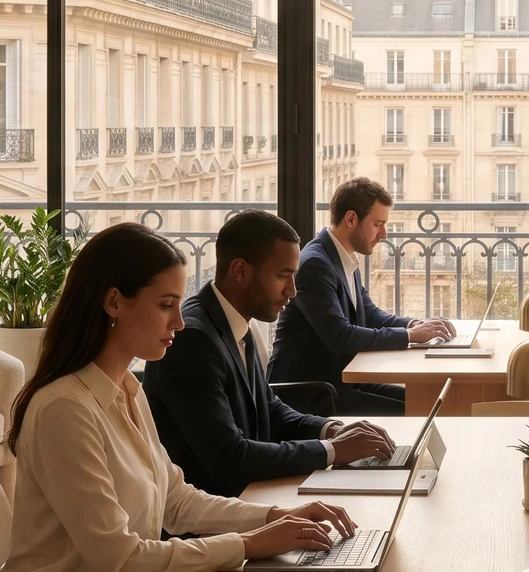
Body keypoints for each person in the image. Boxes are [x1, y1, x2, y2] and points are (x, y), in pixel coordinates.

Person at [0, 222, 356, 572]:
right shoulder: (64, 409)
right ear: (114, 302)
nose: (180, 323)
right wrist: (248, 544)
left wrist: (275, 518)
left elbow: (177, 501)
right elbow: (122, 563)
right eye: (166, 305)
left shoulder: (128, 389)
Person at [144, 210, 398, 497]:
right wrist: (332, 451)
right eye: (283, 276)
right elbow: (230, 458)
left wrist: (332, 429)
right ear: (240, 271)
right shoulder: (193, 340)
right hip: (221, 514)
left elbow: (271, 409)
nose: (292, 291)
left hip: (255, 493)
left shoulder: (233, 321)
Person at [269, 178, 454, 415]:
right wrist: (409, 335)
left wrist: (414, 324)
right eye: (378, 224)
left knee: (430, 402)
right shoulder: (315, 264)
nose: (384, 234)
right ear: (351, 219)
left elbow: (370, 314)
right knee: (419, 410)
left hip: (341, 381)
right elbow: (341, 336)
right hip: (311, 393)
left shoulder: (341, 256)